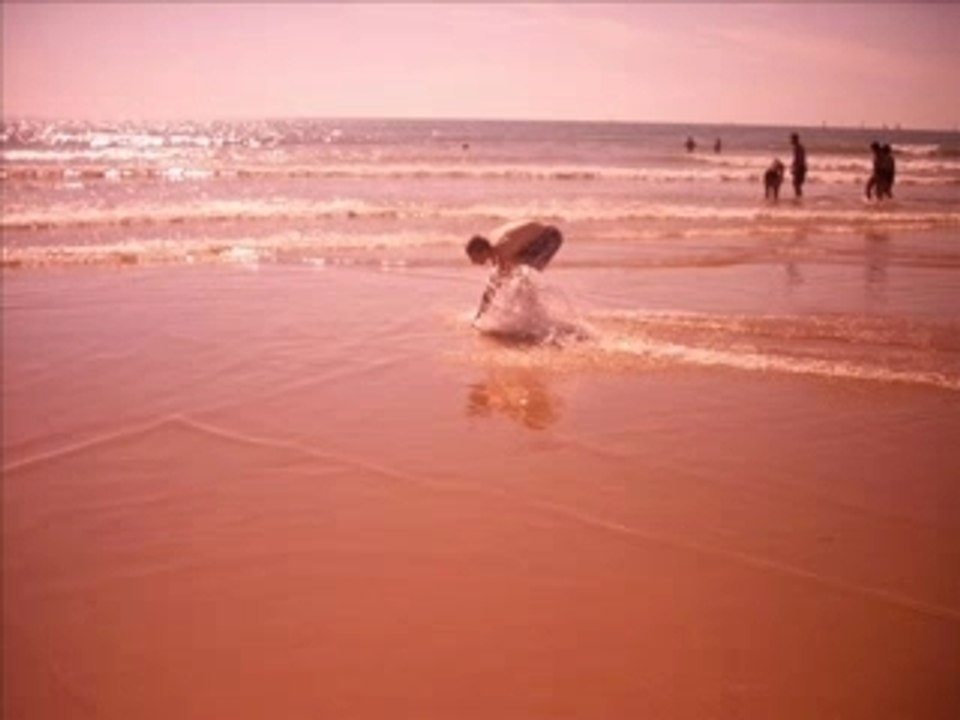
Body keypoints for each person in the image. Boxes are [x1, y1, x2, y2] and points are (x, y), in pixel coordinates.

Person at [465, 220, 564, 321]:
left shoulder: (503, 251)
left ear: (482, 251)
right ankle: (530, 309)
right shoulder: (498, 248)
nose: (473, 262)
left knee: (515, 275)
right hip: (548, 234)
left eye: (473, 257)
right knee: (514, 275)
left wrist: (480, 314)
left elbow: (492, 287)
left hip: (551, 237)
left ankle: (532, 312)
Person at [790, 132, 807, 198]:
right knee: (796, 184)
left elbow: (799, 159)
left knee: (796, 184)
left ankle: (799, 197)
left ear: (795, 139)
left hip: (800, 168)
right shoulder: (798, 148)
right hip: (800, 167)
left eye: (792, 139)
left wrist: (796, 169)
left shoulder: (798, 148)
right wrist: (793, 166)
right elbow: (796, 159)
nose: (791, 141)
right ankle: (798, 197)